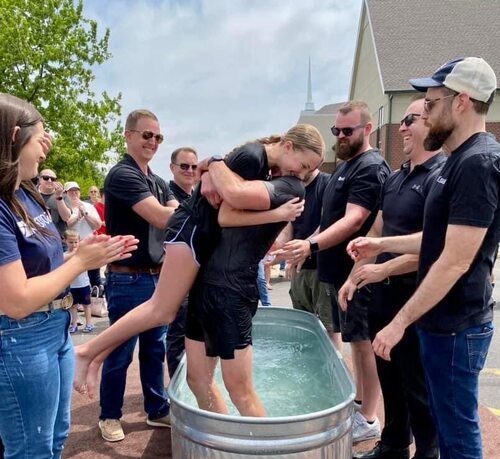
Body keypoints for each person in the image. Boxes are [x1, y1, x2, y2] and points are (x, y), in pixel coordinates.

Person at [348, 57, 500, 459]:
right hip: (441, 323)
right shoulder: (455, 161)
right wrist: (381, 245)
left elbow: (455, 259)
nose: (425, 113)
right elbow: (433, 240)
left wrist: (398, 321)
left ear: (462, 102)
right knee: (446, 419)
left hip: (458, 325)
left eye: (432, 104)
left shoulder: (479, 163)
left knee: (459, 430)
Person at [73, 124, 324, 403]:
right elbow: (227, 212)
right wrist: (277, 213)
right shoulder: (254, 157)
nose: (301, 174)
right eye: (303, 165)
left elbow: (220, 185)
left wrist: (208, 170)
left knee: (162, 311)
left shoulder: (262, 163)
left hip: (196, 232)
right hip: (190, 230)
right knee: (161, 309)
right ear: (288, 146)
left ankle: (95, 356)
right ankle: (87, 352)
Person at [0, 92, 137, 459]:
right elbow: (15, 299)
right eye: (41, 136)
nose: (49, 145)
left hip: (52, 331)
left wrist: (87, 253)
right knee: (29, 450)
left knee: (54, 438)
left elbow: (47, 265)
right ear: (14, 137)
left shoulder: (27, 195)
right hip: (20, 339)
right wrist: (81, 262)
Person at [339, 98, 444, 459]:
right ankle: (395, 444)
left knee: (416, 380)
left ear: (432, 123)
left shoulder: (440, 177)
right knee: (389, 373)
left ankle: (427, 455)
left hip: (415, 295)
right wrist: (355, 277)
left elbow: (434, 249)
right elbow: (377, 233)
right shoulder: (396, 178)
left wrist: (382, 267)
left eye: (409, 120)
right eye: (401, 121)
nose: (401, 128)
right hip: (381, 292)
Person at [276, 100, 390, 442]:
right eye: (336, 130)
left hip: (359, 273)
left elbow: (354, 220)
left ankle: (368, 417)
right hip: (340, 276)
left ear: (367, 129)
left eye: (347, 130)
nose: (340, 135)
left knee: (363, 345)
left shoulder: (369, 167)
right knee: (356, 344)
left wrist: (310, 246)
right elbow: (328, 222)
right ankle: (359, 405)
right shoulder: (345, 167)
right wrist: (301, 245)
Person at [185, 173, 308, 416]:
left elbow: (227, 211)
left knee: (239, 390)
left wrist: (278, 216)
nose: (301, 172)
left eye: (307, 168)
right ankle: (222, 435)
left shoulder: (289, 187)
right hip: (204, 287)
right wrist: (208, 173)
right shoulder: (244, 174)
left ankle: (266, 441)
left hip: (232, 292)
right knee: (197, 380)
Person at [98, 109, 179, 442]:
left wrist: (177, 210)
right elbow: (163, 217)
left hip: (156, 277)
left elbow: (175, 211)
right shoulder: (122, 175)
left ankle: (156, 409)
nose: (153, 142)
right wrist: (180, 209)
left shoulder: (156, 180)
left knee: (154, 349)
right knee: (120, 350)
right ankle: (109, 415)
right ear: (128, 135)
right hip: (127, 278)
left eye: (158, 137)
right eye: (147, 135)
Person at [283, 168, 341, 349]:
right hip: (300, 268)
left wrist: (305, 246)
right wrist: (285, 253)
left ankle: (332, 365)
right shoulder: (295, 188)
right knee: (302, 325)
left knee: (329, 327)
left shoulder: (327, 183)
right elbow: (289, 225)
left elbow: (328, 223)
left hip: (322, 267)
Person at [165, 147, 198, 377]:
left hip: (199, 275)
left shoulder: (197, 194)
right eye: (184, 166)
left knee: (197, 335)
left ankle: (193, 383)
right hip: (178, 276)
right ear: (172, 168)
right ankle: (177, 386)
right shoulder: (168, 195)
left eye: (194, 166)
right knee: (178, 335)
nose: (190, 170)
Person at [64, 229, 94, 333]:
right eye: (70, 242)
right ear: (65, 241)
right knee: (73, 306)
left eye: (76, 242)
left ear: (79, 241)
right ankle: (74, 324)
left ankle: (89, 324)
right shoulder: (65, 255)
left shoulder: (82, 254)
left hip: (83, 284)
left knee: (87, 305)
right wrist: (74, 253)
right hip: (71, 286)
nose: (73, 245)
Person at [37, 168, 71, 239]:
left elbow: (66, 217)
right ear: (39, 179)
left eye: (53, 179)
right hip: (40, 238)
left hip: (60, 239)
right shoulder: (32, 195)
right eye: (46, 178)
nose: (49, 181)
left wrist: (59, 197)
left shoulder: (64, 196)